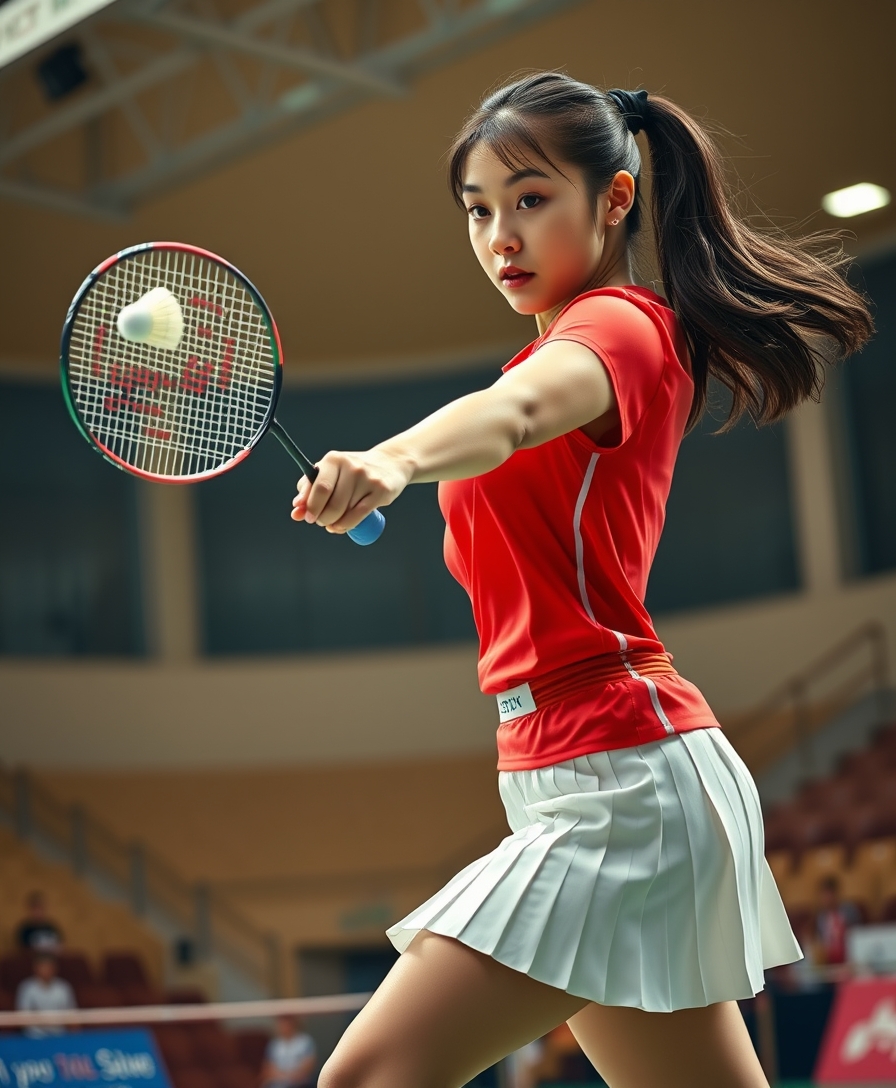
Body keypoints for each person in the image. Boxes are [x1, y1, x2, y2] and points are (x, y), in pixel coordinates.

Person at [290, 73, 873, 1088]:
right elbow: (507, 421)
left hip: (623, 783)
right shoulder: (551, 351)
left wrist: (391, 458)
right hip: (566, 771)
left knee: (368, 1077)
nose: (498, 235)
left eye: (528, 198)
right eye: (477, 211)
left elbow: (509, 418)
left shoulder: (619, 330)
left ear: (612, 198)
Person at [15, 952, 76, 1037]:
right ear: (35, 968)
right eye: (43, 966)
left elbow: (72, 1017)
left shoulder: (64, 987)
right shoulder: (26, 988)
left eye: (49, 967)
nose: (46, 970)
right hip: (33, 1036)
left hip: (60, 1035)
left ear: (55, 968)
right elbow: (22, 1018)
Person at [815, 875, 862, 968]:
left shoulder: (849, 911)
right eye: (824, 895)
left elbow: (858, 936)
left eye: (829, 894)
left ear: (836, 894)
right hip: (829, 964)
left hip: (849, 960)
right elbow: (820, 942)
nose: (826, 898)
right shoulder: (820, 918)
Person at [259, 1015, 316, 1088]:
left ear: (293, 1023)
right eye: (281, 1022)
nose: (283, 1025)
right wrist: (284, 1077)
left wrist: (289, 1077)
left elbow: (307, 1068)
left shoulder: (305, 1042)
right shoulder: (274, 1044)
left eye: (286, 1021)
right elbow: (267, 1070)